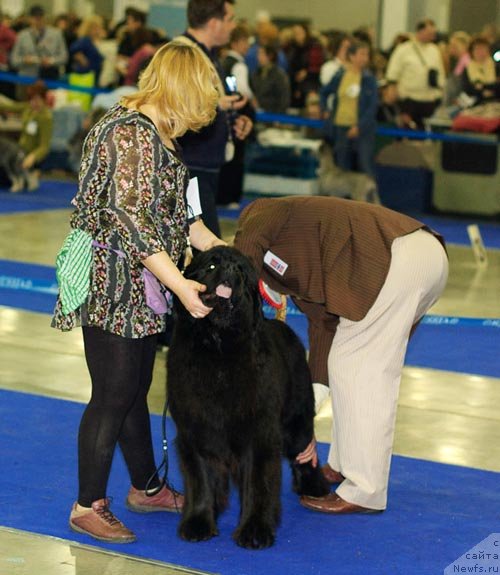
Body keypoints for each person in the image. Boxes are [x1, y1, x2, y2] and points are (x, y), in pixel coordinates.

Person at [51, 41, 225, 544]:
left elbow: (177, 213)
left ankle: (146, 488)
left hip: (143, 281)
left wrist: (219, 248)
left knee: (132, 387)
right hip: (115, 280)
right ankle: (87, 504)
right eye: (198, 107)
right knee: (112, 394)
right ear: (180, 91)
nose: (199, 121)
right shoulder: (129, 134)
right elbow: (133, 222)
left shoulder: (156, 132)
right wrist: (183, 288)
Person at [234, 196, 448, 514]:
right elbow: (325, 328)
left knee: (359, 367)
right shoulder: (301, 271)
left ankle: (365, 490)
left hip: (397, 256)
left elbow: (243, 262)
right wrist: (308, 406)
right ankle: (344, 465)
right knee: (349, 363)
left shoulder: (258, 214)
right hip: (421, 257)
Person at [175, 0, 253, 237]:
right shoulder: (183, 55)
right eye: (229, 19)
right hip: (189, 166)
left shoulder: (209, 56)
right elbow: (173, 105)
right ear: (213, 22)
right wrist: (217, 105)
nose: (233, 26)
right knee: (207, 252)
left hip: (205, 165)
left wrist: (233, 120)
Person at [320, 39, 378, 177]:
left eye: (367, 55)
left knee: (365, 166)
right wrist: (326, 109)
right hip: (340, 128)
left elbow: (372, 106)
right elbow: (324, 92)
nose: (365, 58)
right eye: (361, 54)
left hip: (362, 131)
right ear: (351, 56)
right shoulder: (340, 75)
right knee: (341, 167)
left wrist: (359, 126)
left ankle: (368, 198)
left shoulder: (369, 79)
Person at [385, 19, 445, 129]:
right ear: (420, 31)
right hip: (409, 100)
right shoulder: (403, 49)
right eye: (429, 33)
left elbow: (440, 73)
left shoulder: (435, 50)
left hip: (429, 99)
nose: (432, 36)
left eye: (433, 33)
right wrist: (392, 90)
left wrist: (440, 92)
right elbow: (393, 73)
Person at [0, 80, 52, 192]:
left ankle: (32, 172)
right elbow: (9, 106)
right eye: (31, 99)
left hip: (31, 156)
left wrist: (32, 157)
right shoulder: (27, 108)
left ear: (43, 99)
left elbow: (44, 146)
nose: (33, 103)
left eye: (37, 99)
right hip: (19, 151)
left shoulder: (46, 118)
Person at [10, 5, 68, 82]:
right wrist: (24, 60)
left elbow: (64, 57)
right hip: (27, 78)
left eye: (40, 17)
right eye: (34, 17)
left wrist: (51, 61)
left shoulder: (56, 34)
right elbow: (14, 60)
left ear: (44, 17)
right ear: (29, 19)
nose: (38, 20)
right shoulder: (22, 35)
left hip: (50, 78)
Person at [251, 44, 290, 113]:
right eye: (258, 54)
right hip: (258, 114)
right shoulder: (256, 73)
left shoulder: (279, 75)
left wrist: (279, 118)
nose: (258, 57)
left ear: (270, 56)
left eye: (261, 54)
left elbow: (284, 98)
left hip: (273, 115)